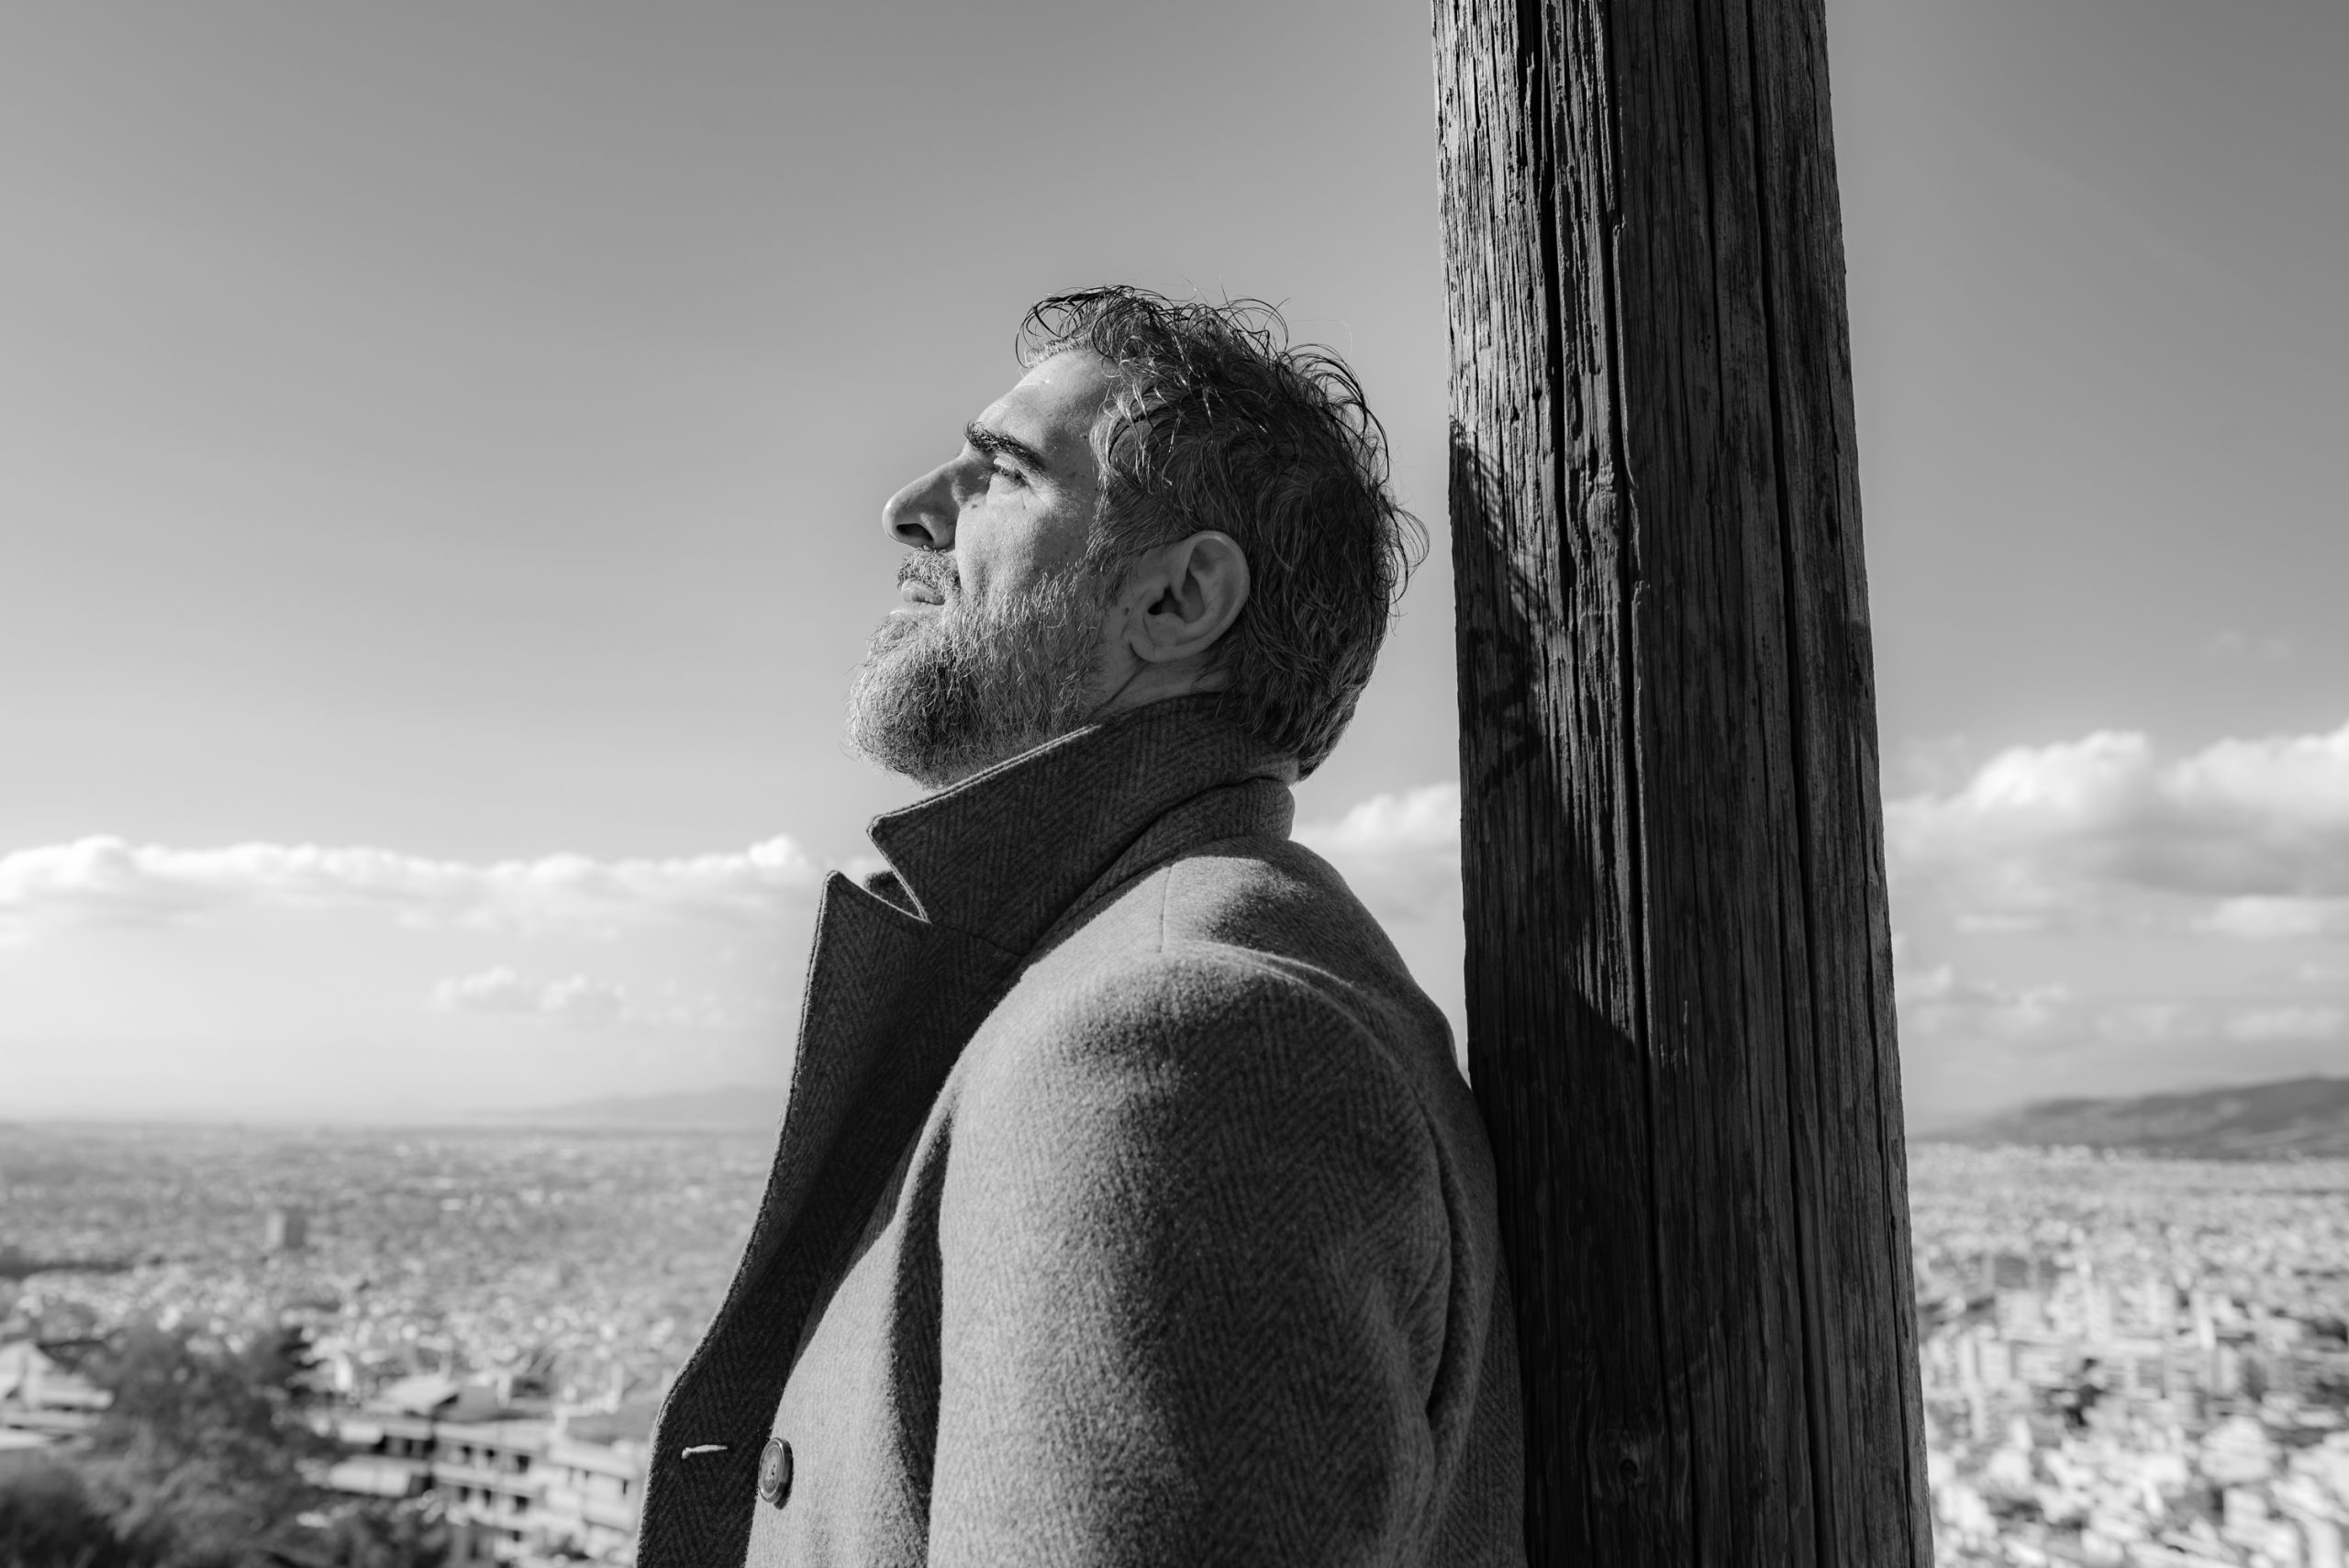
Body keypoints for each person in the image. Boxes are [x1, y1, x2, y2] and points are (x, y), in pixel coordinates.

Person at [636, 286, 1524, 1567]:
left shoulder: (1181, 1039)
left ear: (1176, 600)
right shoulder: (1142, 971)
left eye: (1003, 469)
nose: (909, 508)